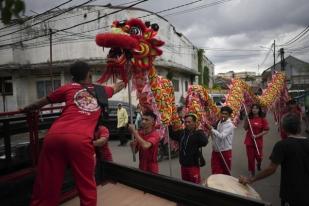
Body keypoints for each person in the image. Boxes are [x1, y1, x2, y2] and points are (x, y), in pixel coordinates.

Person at [23, 61, 125, 206]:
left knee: (47, 184)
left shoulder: (67, 88)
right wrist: (125, 73)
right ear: (89, 74)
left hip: (54, 136)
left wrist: (24, 109)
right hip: (80, 140)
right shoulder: (100, 90)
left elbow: (39, 103)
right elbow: (118, 86)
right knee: (86, 186)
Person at [239, 113, 309, 206]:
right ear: (300, 127)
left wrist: (251, 179)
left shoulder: (282, 145)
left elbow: (271, 169)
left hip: (291, 191)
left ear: (283, 128)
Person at [170, 113, 208, 184]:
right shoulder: (182, 132)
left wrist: (199, 130)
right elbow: (172, 135)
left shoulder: (197, 133)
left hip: (193, 166)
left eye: (189, 122)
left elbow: (205, 142)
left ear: (194, 122)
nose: (187, 124)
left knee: (195, 186)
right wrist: (168, 124)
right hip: (183, 165)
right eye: (185, 122)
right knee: (185, 185)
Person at [206, 106, 234, 175]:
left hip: (225, 151)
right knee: (215, 171)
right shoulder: (219, 122)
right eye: (222, 113)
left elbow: (222, 136)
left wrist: (212, 129)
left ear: (229, 115)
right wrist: (211, 129)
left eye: (225, 114)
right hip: (216, 150)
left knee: (226, 172)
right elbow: (215, 133)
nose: (223, 115)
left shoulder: (230, 125)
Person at [243, 104, 269, 176]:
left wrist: (257, 136)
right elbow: (245, 128)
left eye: (256, 108)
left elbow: (266, 130)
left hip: (258, 141)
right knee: (250, 158)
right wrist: (246, 119)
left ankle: (259, 164)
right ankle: (252, 172)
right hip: (249, 141)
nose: (254, 110)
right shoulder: (249, 118)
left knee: (259, 157)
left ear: (259, 110)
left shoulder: (262, 119)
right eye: (253, 108)